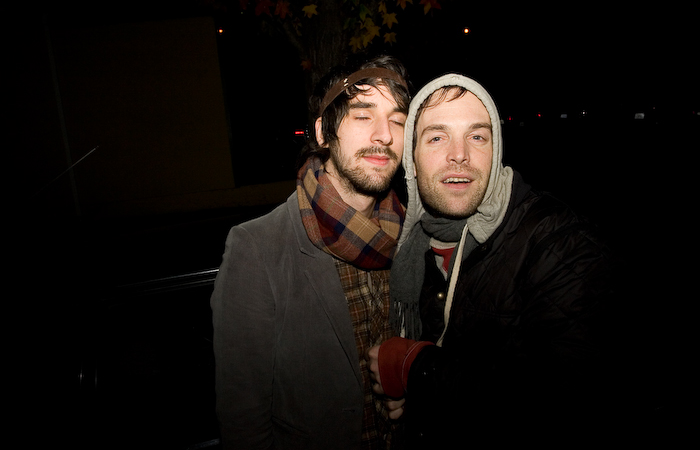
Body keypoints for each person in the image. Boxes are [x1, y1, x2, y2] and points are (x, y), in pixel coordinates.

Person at [367, 74, 620, 446]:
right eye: (437, 137)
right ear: (412, 162)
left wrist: (415, 367)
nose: (459, 154)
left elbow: (573, 408)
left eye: (477, 137)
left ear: (496, 150)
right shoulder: (411, 246)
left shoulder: (560, 244)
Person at [210, 54, 411, 450]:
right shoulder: (258, 248)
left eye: (398, 120)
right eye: (363, 115)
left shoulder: (412, 237)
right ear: (323, 132)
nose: (384, 135)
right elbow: (243, 422)